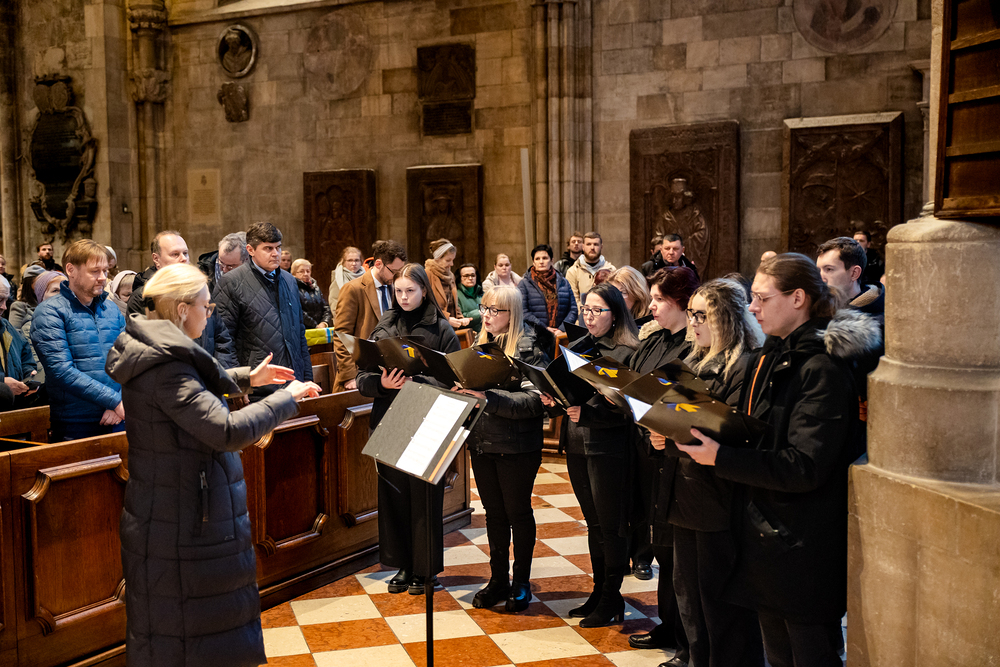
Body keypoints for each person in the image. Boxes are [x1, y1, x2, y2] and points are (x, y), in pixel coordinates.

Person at [106, 262, 320, 667]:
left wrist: (247, 378)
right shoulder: (166, 366)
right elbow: (226, 430)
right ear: (182, 309)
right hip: (182, 521)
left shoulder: (157, 350)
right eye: (206, 306)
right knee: (188, 638)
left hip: (178, 511)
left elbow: (196, 388)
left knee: (195, 632)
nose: (209, 313)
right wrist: (286, 398)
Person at [676, 253, 880, 667]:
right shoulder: (773, 354)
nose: (752, 308)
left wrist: (722, 457)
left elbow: (804, 465)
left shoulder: (821, 366)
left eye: (762, 298)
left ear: (798, 298)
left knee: (809, 654)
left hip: (802, 542)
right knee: (778, 653)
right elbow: (761, 433)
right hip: (767, 534)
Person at [648, 279, 765, 667]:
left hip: (717, 497)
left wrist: (676, 433)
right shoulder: (691, 361)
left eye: (703, 315)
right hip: (683, 491)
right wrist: (660, 432)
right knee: (689, 595)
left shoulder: (743, 365)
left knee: (718, 603)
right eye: (692, 314)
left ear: (726, 318)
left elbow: (733, 430)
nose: (694, 323)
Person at [356, 264, 461, 595]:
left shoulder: (441, 329)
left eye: (410, 291)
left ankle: (425, 570)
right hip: (392, 417)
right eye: (398, 291)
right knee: (395, 496)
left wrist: (420, 381)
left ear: (424, 291)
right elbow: (362, 379)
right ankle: (402, 564)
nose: (403, 297)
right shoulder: (384, 326)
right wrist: (383, 384)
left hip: (428, 418)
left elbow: (456, 380)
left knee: (423, 497)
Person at [541, 283, 639, 627]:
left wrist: (591, 413)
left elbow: (630, 410)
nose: (589, 316)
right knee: (593, 523)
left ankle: (612, 597)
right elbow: (571, 394)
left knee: (610, 526)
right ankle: (600, 591)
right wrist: (554, 400)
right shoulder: (580, 345)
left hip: (608, 447)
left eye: (597, 310)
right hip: (577, 442)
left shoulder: (627, 352)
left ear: (615, 314)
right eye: (586, 309)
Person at [459, 287, 549, 613]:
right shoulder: (480, 345)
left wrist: (489, 399)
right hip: (482, 443)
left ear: (512, 314)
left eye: (495, 310)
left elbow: (535, 401)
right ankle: (498, 579)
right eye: (484, 308)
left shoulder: (528, 348)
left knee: (517, 513)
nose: (486, 315)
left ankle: (521, 582)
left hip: (517, 446)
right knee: (494, 514)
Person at [626, 266, 700, 660]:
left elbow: (689, 404)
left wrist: (666, 433)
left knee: (676, 552)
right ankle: (667, 624)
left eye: (658, 299)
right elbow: (634, 387)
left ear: (681, 303)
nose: (651, 306)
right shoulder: (652, 340)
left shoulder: (692, 349)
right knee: (658, 543)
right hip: (644, 451)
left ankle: (685, 636)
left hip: (674, 457)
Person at [31, 240, 125, 441]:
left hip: (118, 415)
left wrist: (120, 401)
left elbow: (130, 359)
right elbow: (61, 371)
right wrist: (114, 401)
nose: (103, 277)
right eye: (95, 271)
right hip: (76, 421)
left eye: (105, 271)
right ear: (71, 270)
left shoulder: (111, 309)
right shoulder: (49, 312)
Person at [216, 222, 313, 397]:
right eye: (268, 248)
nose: (276, 253)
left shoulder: (290, 281)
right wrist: (240, 387)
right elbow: (223, 340)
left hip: (294, 382)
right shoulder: (230, 282)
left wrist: (307, 379)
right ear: (250, 250)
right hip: (258, 388)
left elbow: (299, 334)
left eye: (278, 247)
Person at [129, 231, 238, 370]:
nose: (183, 259)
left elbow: (222, 339)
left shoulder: (201, 290)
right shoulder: (144, 297)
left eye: (185, 253)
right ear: (156, 259)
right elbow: (146, 349)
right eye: (175, 254)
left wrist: (218, 376)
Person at [333, 240, 407, 392]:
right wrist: (349, 376)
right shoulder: (353, 289)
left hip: (389, 374)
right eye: (394, 271)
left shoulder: (395, 288)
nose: (397, 277)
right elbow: (341, 336)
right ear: (378, 264)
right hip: (362, 373)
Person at [816, 237, 885, 329]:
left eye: (829, 269)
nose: (821, 278)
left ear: (854, 273)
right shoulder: (816, 309)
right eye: (818, 271)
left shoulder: (879, 323)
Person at [518, 244, 577, 335]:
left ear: (552, 260)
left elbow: (573, 309)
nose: (541, 262)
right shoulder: (524, 284)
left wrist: (562, 329)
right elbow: (523, 312)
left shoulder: (563, 282)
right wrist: (544, 329)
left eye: (545, 258)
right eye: (537, 259)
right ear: (533, 262)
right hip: (535, 335)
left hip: (560, 334)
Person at [0, 276, 39, 409]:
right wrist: (2, 382)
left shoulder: (6, 327)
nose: (4, 307)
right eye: (0, 300)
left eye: (6, 300)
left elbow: (25, 356)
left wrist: (29, 376)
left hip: (13, 406)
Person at [424, 239, 471, 329]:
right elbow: (425, 306)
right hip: (435, 328)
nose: (452, 264)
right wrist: (447, 318)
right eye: (448, 260)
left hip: (450, 329)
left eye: (453, 260)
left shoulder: (450, 275)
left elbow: (453, 303)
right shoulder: (427, 274)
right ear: (437, 258)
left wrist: (460, 318)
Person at [565, 232, 617, 310]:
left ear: (601, 247)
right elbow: (573, 300)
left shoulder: (612, 270)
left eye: (596, 244)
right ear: (583, 247)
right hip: (581, 315)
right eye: (588, 244)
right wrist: (587, 313)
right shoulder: (573, 271)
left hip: (605, 314)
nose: (592, 248)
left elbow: (615, 298)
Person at [291, 259, 332, 329]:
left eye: (308, 271)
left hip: (319, 328)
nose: (305, 274)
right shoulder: (291, 288)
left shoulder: (316, 288)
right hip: (302, 329)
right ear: (294, 274)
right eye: (301, 271)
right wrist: (315, 325)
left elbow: (326, 307)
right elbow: (297, 311)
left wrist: (324, 323)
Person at [327, 246, 365, 312]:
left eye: (357, 260)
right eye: (350, 260)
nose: (354, 264)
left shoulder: (366, 276)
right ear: (343, 262)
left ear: (361, 261)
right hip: (345, 315)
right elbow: (334, 303)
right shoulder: (338, 278)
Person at [456, 263, 483, 334]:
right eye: (466, 276)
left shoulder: (482, 293)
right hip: (467, 335)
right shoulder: (455, 295)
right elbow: (459, 318)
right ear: (460, 278)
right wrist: (479, 313)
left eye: (473, 275)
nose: (470, 278)